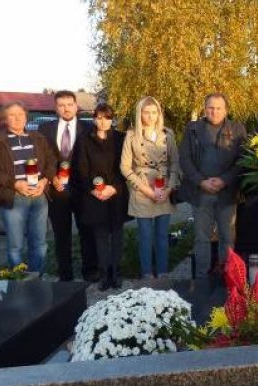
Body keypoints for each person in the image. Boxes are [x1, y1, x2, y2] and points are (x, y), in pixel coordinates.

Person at [0, 101, 56, 273]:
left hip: (39, 196)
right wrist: (14, 183)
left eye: (20, 115)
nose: (17, 119)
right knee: (15, 246)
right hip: (13, 197)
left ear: (26, 117)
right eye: (12, 115)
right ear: (5, 119)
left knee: (40, 243)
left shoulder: (38, 138)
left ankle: (36, 279)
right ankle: (18, 284)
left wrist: (45, 181)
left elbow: (52, 161)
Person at [179, 93, 246, 277]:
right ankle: (202, 278)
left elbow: (243, 160)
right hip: (200, 193)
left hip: (227, 192)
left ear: (226, 110)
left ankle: (228, 276)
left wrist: (225, 179)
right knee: (202, 238)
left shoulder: (238, 129)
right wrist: (201, 181)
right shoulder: (192, 129)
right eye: (210, 107)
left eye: (218, 108)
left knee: (228, 237)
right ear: (204, 108)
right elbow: (184, 159)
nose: (214, 111)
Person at [38, 90, 98, 281]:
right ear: (56, 108)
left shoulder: (88, 128)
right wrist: (50, 177)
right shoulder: (45, 129)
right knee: (61, 234)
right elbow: (41, 158)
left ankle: (90, 271)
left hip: (82, 189)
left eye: (69, 104)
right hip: (58, 189)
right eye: (61, 105)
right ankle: (65, 274)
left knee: (87, 231)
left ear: (76, 105)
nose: (66, 108)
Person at [120, 96, 179, 278]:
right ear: (140, 114)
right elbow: (124, 167)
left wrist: (169, 188)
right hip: (142, 190)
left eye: (154, 112)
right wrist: (145, 189)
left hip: (163, 188)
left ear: (159, 114)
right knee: (145, 237)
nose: (151, 116)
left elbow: (175, 164)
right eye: (146, 112)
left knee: (162, 236)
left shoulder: (167, 134)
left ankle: (162, 273)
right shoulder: (131, 136)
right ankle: (146, 274)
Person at [76, 103, 129, 290]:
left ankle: (116, 272)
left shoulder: (121, 139)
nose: (103, 121)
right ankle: (105, 274)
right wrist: (93, 189)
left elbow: (126, 167)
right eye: (99, 117)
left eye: (107, 117)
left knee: (117, 236)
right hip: (95, 196)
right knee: (100, 237)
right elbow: (81, 168)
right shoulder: (84, 140)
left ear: (112, 119)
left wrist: (113, 187)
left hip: (116, 194)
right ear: (93, 119)